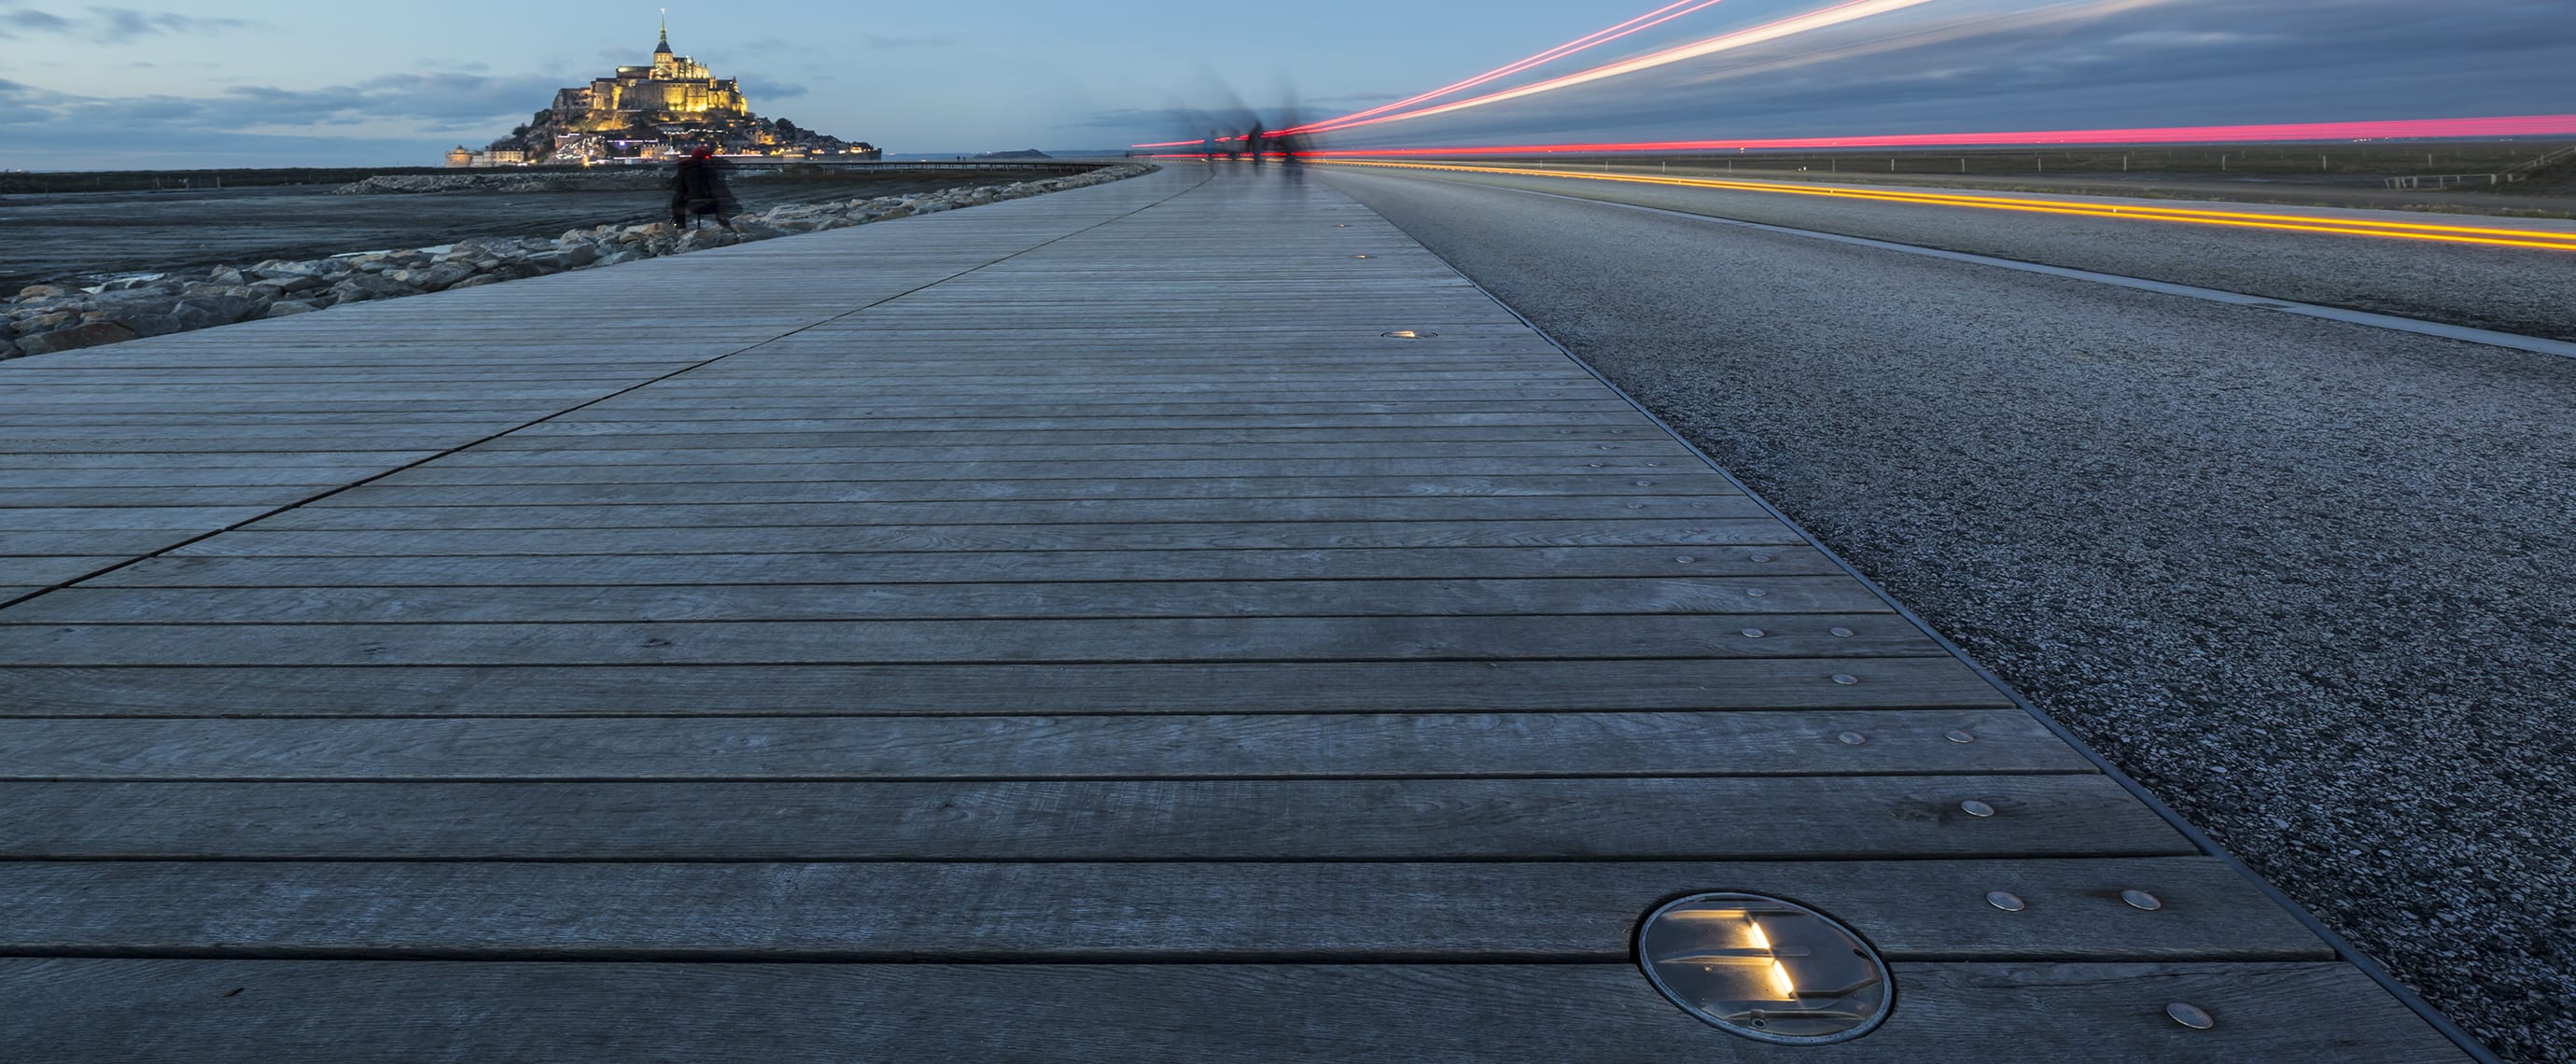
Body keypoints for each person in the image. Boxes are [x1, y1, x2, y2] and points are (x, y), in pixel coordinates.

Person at [669, 147, 736, 230]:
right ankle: (723, 222)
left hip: (693, 206)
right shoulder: (713, 167)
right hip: (715, 205)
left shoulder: (685, 168)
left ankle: (680, 226)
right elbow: (732, 170)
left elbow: (680, 188)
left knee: (677, 199)